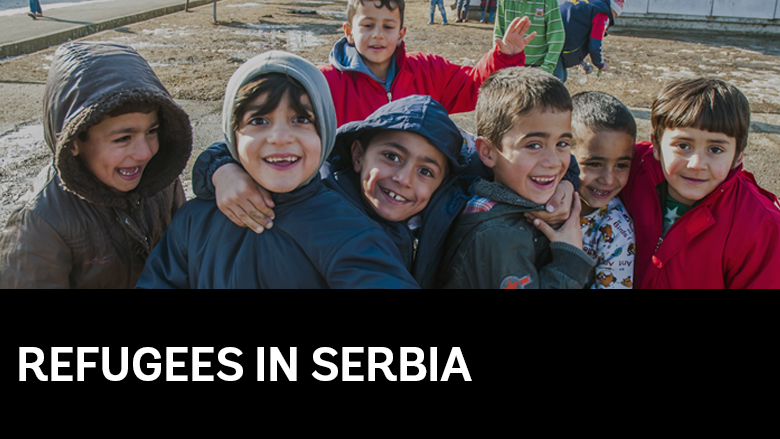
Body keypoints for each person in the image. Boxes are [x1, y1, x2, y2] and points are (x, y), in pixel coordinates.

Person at [136, 51, 420, 289]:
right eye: (259, 120)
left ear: (326, 132)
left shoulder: (346, 231)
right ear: (232, 135)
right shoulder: (194, 220)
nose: (280, 137)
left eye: (301, 119)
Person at [0, 42, 192, 289]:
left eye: (152, 131)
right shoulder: (40, 225)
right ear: (74, 141)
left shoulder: (161, 183)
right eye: (123, 138)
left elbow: (186, 258)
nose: (145, 153)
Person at [437, 68, 595, 289]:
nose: (553, 161)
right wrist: (570, 261)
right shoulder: (497, 235)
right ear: (488, 152)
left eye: (562, 144)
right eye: (534, 145)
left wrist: (568, 181)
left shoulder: (520, 195)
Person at [621, 78, 780, 289]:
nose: (697, 164)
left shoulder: (761, 227)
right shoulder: (628, 166)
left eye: (715, 150)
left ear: (738, 156)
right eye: (683, 145)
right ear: (657, 146)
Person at [326, 0, 535, 127]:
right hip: (351, 190)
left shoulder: (427, 69)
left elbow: (472, 86)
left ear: (401, 34)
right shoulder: (328, 82)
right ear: (349, 32)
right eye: (368, 25)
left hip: (416, 186)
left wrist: (505, 58)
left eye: (388, 26)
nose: (378, 35)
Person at [571, 92, 636, 289]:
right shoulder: (538, 197)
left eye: (621, 165)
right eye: (594, 163)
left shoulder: (617, 231)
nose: (608, 179)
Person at [495, 0, 565, 81]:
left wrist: (546, 69)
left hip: (538, 66)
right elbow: (498, 33)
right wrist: (500, 63)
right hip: (510, 66)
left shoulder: (548, 2)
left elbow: (556, 35)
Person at [558, 0, 624, 83]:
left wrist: (579, 59)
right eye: (615, 15)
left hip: (550, 35)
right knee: (557, 83)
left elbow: (575, 28)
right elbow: (594, 45)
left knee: (562, 77)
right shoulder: (602, 13)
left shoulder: (591, 3)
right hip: (555, 45)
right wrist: (600, 64)